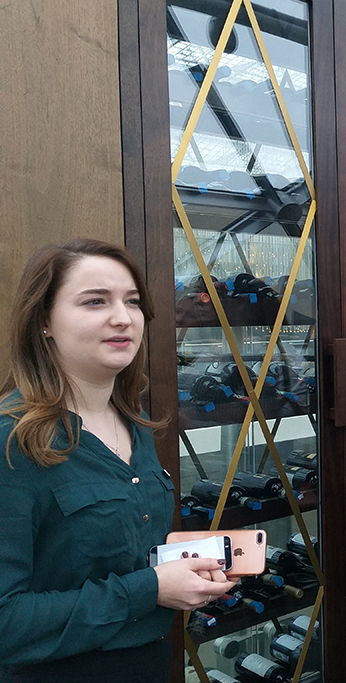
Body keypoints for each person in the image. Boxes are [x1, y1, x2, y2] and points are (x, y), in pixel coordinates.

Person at [0, 240, 234, 682]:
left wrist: (184, 571)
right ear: (44, 320)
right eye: (95, 301)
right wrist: (151, 588)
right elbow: (6, 622)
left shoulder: (134, 422)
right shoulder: (12, 442)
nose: (123, 317)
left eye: (132, 301)